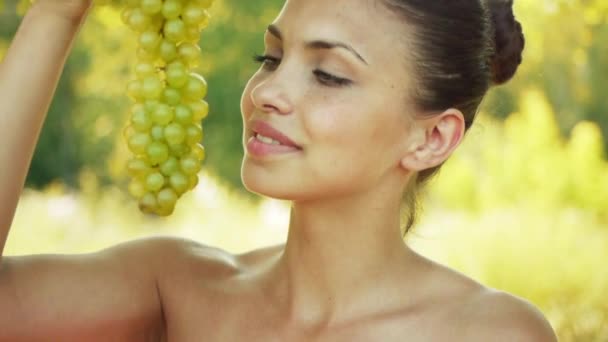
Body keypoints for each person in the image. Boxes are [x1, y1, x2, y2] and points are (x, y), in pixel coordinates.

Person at [0, 0, 558, 340]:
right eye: (270, 58)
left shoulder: (490, 333)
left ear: (432, 138)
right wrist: (57, 12)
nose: (266, 91)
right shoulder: (175, 288)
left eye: (329, 75)